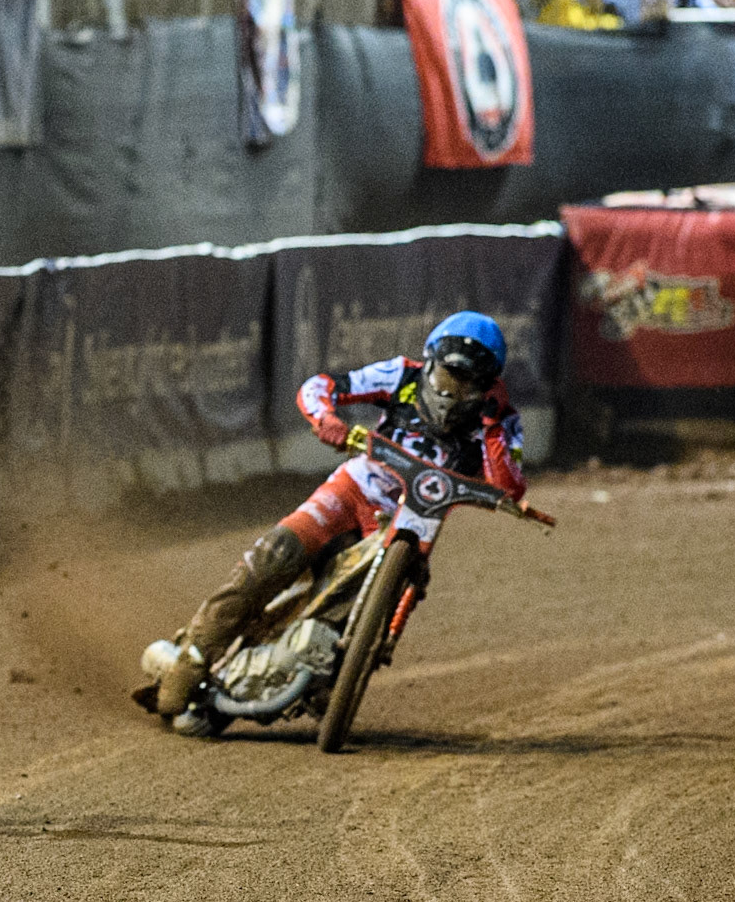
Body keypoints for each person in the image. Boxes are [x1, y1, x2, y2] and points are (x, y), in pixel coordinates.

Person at [133, 312, 527, 736]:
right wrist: (326, 418)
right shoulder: (401, 375)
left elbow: (510, 486)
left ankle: (331, 673)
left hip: (413, 523)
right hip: (353, 490)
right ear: (431, 362)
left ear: (486, 385)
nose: (455, 391)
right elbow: (319, 386)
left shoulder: (501, 417)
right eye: (450, 377)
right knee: (274, 555)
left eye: (469, 383)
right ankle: (191, 657)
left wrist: (488, 426)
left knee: (405, 589)